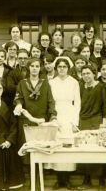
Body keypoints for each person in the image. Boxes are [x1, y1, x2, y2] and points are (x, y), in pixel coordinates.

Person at [48, 57, 81, 190]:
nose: (62, 69)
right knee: (57, 146)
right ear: (56, 68)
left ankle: (66, 179)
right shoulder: (51, 82)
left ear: (68, 68)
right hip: (56, 114)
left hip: (69, 114)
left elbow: (77, 102)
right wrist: (52, 117)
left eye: (64, 67)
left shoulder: (74, 82)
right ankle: (58, 179)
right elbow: (49, 101)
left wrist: (74, 121)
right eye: (59, 66)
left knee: (68, 145)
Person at [14, 58, 57, 149]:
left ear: (40, 68)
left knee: (40, 148)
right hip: (26, 120)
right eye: (32, 66)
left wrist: (53, 116)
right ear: (28, 68)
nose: (34, 68)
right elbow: (19, 98)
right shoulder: (22, 83)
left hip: (41, 121)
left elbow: (51, 101)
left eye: (37, 66)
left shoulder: (45, 83)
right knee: (27, 148)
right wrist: (19, 104)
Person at [78, 65, 106, 189]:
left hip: (96, 121)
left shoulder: (100, 87)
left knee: (98, 150)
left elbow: (105, 106)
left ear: (94, 74)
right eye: (84, 73)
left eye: (88, 73)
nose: (86, 76)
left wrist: (104, 124)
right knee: (84, 150)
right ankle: (87, 179)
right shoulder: (80, 87)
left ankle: (101, 180)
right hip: (83, 121)